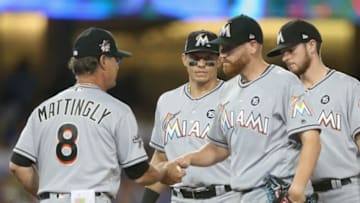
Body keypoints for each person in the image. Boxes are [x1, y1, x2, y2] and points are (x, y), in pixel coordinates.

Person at [8, 27, 184, 203]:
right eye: (117, 60)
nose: (117, 66)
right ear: (103, 61)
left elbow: (18, 165)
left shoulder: (43, 109)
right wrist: (163, 172)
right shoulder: (118, 111)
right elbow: (139, 173)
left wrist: (47, 195)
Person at [170, 14, 322, 203]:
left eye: (229, 48)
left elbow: (311, 139)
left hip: (280, 193)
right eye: (221, 48)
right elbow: (218, 147)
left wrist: (298, 187)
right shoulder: (228, 90)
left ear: (252, 46)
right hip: (245, 195)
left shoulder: (284, 82)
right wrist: (189, 158)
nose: (222, 54)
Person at [267, 19, 360, 203]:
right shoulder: (286, 96)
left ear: (311, 45)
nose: (285, 57)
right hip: (304, 195)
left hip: (346, 191)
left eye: (291, 50)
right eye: (283, 52)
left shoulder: (348, 87)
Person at [141, 30, 239, 203]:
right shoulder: (167, 101)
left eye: (208, 58)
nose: (201, 64)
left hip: (225, 196)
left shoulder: (234, 97)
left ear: (219, 60)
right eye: (195, 58)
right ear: (184, 59)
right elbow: (161, 157)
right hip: (180, 198)